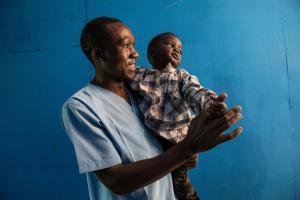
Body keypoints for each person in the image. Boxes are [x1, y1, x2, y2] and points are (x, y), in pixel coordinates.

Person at [61, 16, 243, 200]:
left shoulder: (146, 92)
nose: (135, 54)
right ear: (99, 55)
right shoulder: (81, 107)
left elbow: (159, 144)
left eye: (134, 45)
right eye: (126, 45)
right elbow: (116, 180)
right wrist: (188, 147)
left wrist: (181, 152)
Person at [128, 32, 227, 200]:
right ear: (151, 53)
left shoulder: (183, 77)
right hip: (148, 142)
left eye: (180, 50)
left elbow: (196, 92)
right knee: (152, 184)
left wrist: (210, 104)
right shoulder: (140, 74)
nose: (177, 50)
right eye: (170, 45)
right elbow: (121, 77)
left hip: (176, 142)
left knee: (181, 186)